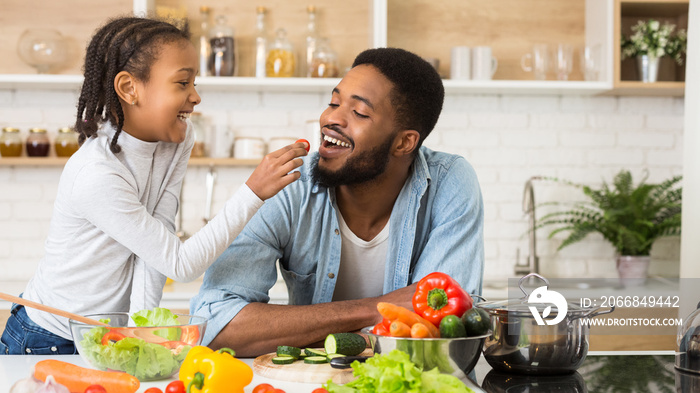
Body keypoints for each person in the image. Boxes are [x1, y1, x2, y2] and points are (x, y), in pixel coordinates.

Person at [0, 16, 307, 355]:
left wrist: (140, 328)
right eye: (182, 83)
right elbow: (181, 264)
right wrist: (253, 192)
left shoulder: (176, 139)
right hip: (48, 336)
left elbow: (157, 247)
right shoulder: (97, 173)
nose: (196, 96)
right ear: (130, 88)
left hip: (104, 337)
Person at [191, 47, 484, 356]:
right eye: (333, 102)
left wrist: (302, 331)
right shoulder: (289, 184)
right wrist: (375, 309)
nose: (331, 118)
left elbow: (441, 333)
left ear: (404, 142)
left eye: (359, 112)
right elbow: (215, 326)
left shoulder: (450, 182)